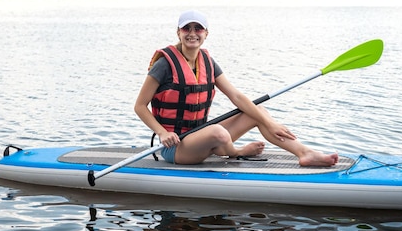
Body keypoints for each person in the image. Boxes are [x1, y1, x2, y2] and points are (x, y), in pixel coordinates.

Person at [134, 10, 339, 167]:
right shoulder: (164, 65)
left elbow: (236, 96)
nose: (192, 33)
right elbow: (140, 106)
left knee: (258, 112)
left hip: (203, 135)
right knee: (219, 133)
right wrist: (161, 133)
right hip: (175, 147)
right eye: (187, 28)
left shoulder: (208, 62)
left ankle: (305, 153)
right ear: (178, 33)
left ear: (206, 33)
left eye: (198, 29)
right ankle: (237, 151)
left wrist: (270, 122)